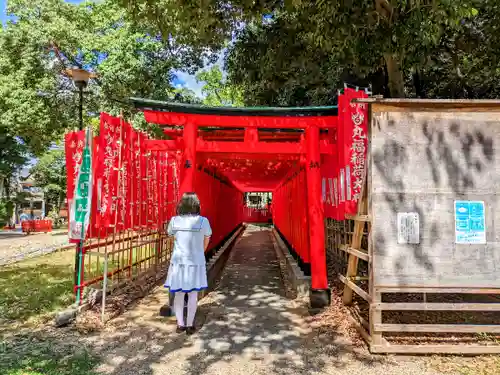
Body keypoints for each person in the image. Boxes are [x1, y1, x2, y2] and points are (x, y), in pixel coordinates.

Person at [164, 192, 212, 335]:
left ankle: (180, 325)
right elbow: (206, 240)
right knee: (192, 294)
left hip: (179, 262)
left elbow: (172, 238)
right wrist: (199, 252)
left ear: (181, 205)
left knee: (178, 294)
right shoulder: (203, 221)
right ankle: (190, 325)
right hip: (196, 262)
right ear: (197, 205)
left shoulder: (174, 221)